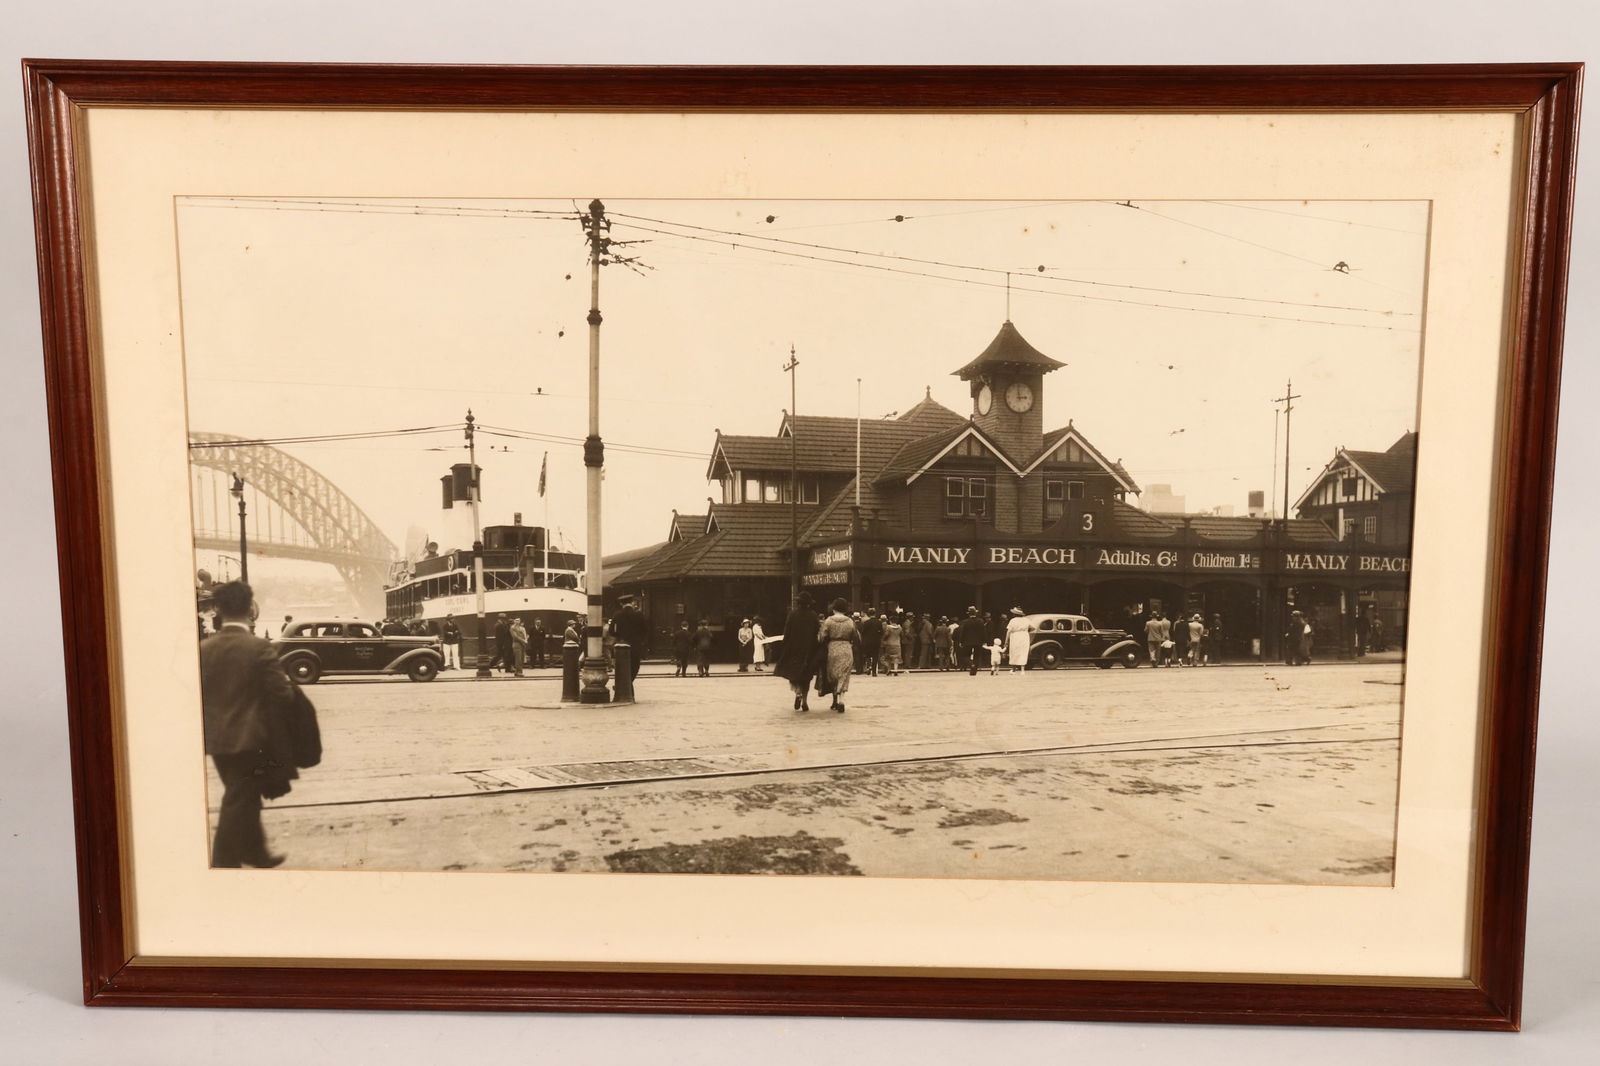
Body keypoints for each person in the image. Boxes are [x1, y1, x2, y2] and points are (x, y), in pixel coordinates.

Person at [200, 580, 300, 869]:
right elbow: (282, 694)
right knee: (239, 797)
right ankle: (222, 862)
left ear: (219, 609)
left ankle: (256, 851)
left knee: (242, 792)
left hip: (216, 740)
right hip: (251, 739)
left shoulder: (204, 649)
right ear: (249, 609)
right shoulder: (258, 647)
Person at [774, 591, 820, 711]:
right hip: (809, 650)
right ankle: (804, 700)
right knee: (807, 676)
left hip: (793, 649)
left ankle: (797, 692)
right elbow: (817, 632)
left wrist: (784, 648)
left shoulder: (792, 614)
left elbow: (787, 632)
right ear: (809, 604)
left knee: (793, 675)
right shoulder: (813, 615)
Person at [814, 598, 860, 713]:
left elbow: (821, 637)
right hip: (846, 648)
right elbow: (856, 636)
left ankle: (835, 698)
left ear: (834, 608)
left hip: (832, 648)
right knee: (844, 675)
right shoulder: (850, 621)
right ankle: (841, 699)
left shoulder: (828, 621)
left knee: (833, 674)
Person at [612, 595, 649, 686]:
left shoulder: (617, 614)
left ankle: (622, 686)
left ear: (621, 603)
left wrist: (620, 636)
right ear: (632, 602)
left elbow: (611, 631)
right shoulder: (639, 614)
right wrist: (640, 641)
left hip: (622, 644)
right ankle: (628, 684)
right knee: (635, 667)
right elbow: (645, 630)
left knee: (622, 667)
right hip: (635, 645)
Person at [957, 606, 987, 676]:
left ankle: (971, 665)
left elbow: (962, 632)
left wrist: (961, 641)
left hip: (967, 641)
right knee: (977, 656)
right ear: (975, 613)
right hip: (978, 642)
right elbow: (983, 632)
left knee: (965, 656)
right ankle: (974, 671)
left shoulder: (965, 622)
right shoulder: (980, 621)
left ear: (968, 614)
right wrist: (984, 641)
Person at [1004, 606, 1032, 672]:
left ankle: (1013, 669)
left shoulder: (1013, 620)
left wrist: (1006, 641)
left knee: (1014, 651)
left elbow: (1008, 631)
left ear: (1015, 614)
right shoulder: (1026, 620)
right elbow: (1033, 628)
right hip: (1024, 636)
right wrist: (1026, 631)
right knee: (1023, 652)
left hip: (1015, 636)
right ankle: (1022, 669)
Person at [859, 607, 883, 676]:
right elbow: (881, 632)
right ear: (875, 613)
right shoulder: (879, 622)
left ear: (868, 614)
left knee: (868, 656)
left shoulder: (866, 623)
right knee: (875, 656)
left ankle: (869, 666)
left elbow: (863, 632)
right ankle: (874, 672)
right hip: (876, 641)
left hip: (868, 642)